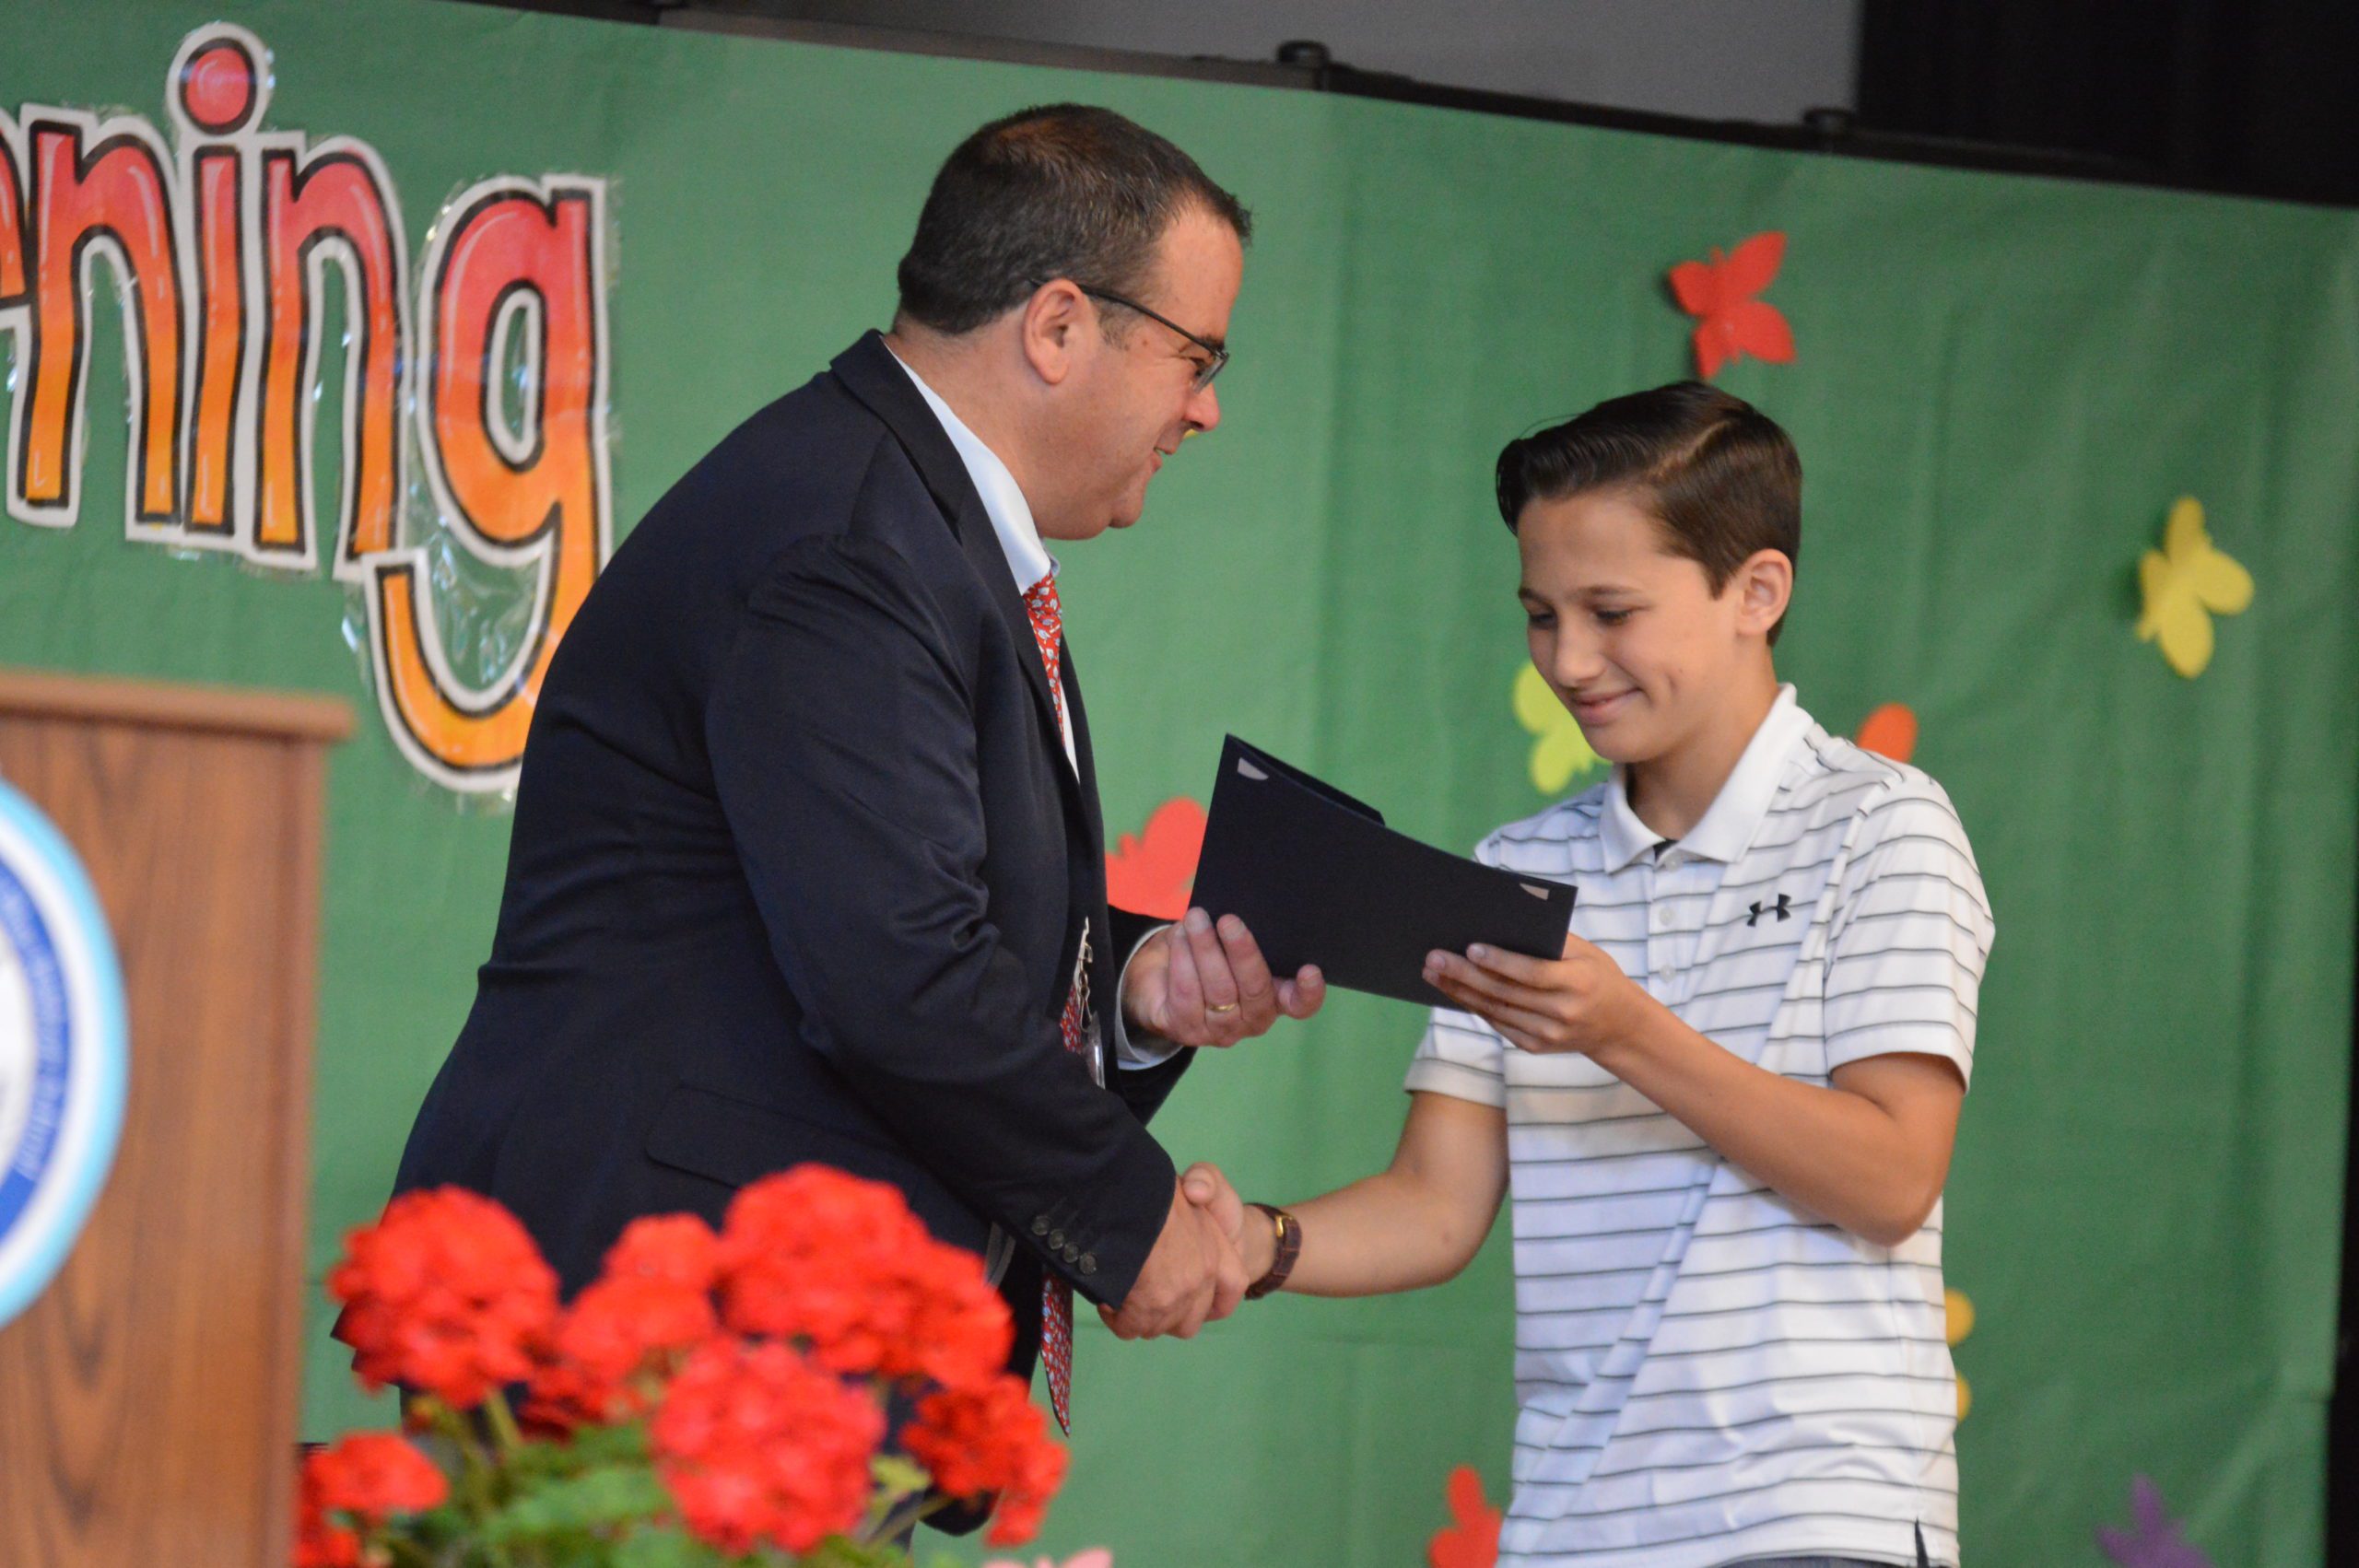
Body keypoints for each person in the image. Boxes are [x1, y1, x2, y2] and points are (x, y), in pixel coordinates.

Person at [385, 104, 1325, 1450]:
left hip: (727, 1349)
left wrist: (1124, 989)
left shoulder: (903, 516)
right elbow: (892, 974)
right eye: (1198, 354)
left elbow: (866, 915)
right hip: (637, 1331)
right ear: (1058, 326)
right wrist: (1130, 1216)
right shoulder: (850, 544)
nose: (1208, 406)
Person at [1190, 384, 1992, 1567]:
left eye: (1611, 611)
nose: (1569, 659)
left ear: (1756, 592)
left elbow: (1889, 1178)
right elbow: (1434, 1203)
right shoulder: (1519, 869)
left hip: (1814, 1520)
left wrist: (1622, 1028)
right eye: (1539, 614)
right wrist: (1254, 1245)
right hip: (1576, 1529)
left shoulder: (1884, 826)